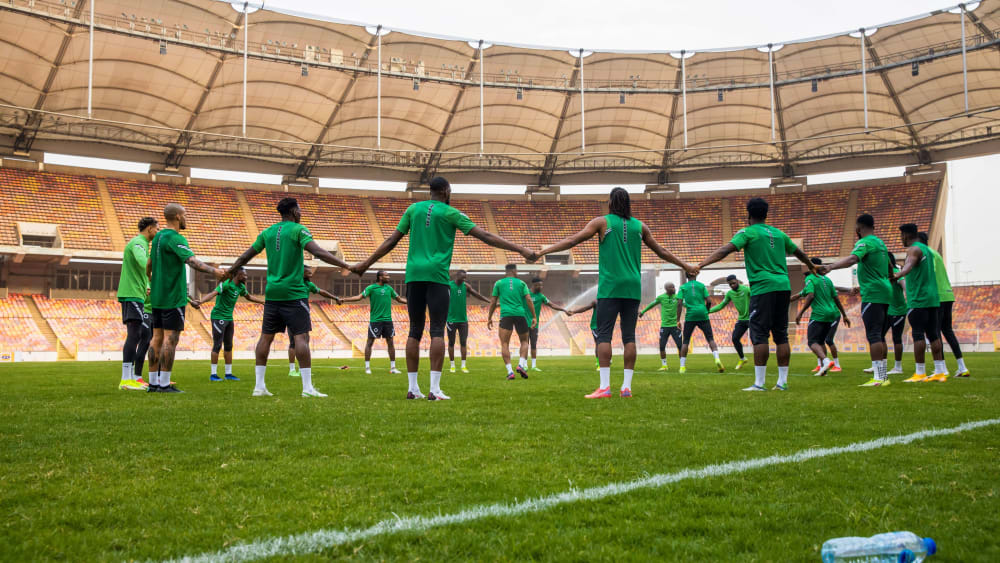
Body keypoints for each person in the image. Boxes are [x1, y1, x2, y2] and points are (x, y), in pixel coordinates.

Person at [351, 176, 536, 400]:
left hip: (413, 277)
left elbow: (391, 240)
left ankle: (412, 388)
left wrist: (365, 264)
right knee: (437, 330)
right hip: (437, 278)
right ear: (447, 191)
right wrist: (521, 250)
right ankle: (435, 389)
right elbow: (486, 236)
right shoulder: (451, 213)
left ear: (431, 191)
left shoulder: (413, 209)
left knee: (414, 331)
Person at [537, 187, 697, 399]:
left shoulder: (602, 222)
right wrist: (685, 264)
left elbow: (573, 240)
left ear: (611, 202)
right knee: (629, 336)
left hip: (610, 287)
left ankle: (604, 387)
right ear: (628, 203)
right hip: (632, 287)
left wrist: (543, 251)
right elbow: (662, 251)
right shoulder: (640, 226)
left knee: (604, 335)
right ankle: (626, 387)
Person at [226, 197, 353, 398]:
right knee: (301, 337)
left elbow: (245, 257)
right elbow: (317, 252)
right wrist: (344, 264)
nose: (301, 213)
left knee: (265, 337)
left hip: (273, 292)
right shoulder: (298, 230)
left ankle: (259, 387)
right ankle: (307, 388)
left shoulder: (266, 232)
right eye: (299, 210)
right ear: (294, 211)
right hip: (294, 293)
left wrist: (230, 270)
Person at [697, 197, 818, 391]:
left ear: (748, 215)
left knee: (760, 335)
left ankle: (760, 383)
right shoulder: (779, 234)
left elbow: (726, 249)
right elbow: (800, 253)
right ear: (766, 214)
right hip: (783, 286)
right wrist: (812, 266)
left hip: (763, 288)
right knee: (781, 335)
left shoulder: (747, 232)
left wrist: (701, 264)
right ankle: (782, 382)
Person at [146, 204, 225, 393]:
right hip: (172, 297)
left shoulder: (157, 238)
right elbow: (191, 261)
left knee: (156, 338)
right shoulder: (175, 238)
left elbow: (149, 265)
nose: (186, 219)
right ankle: (164, 384)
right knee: (170, 339)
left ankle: (153, 383)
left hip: (157, 296)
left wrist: (152, 282)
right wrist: (215, 272)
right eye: (185, 215)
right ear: (178, 217)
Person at [818, 214, 893, 386]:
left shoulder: (864, 243)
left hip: (873, 293)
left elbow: (853, 259)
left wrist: (830, 267)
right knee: (879, 336)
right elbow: (889, 265)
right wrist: (889, 276)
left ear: (859, 227)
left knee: (873, 335)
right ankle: (882, 376)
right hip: (885, 292)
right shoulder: (880, 243)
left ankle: (880, 378)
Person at [892, 223, 948, 383]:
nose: (901, 239)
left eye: (901, 235)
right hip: (932, 298)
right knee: (933, 335)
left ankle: (920, 372)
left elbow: (909, 265)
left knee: (918, 335)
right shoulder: (927, 251)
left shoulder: (914, 249)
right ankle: (939, 372)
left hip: (918, 299)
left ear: (906, 235)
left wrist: (898, 274)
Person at [191, 267, 264, 381]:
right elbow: (213, 293)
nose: (246, 276)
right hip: (218, 317)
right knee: (217, 345)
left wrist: (263, 302)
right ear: (237, 275)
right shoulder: (226, 284)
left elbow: (248, 297)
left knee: (229, 346)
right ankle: (213, 374)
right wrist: (201, 301)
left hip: (229, 319)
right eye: (244, 275)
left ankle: (228, 374)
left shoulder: (241, 287)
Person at [918, 232, 969, 377]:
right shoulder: (936, 253)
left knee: (934, 332)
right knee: (947, 330)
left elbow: (930, 272)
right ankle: (962, 367)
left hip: (938, 296)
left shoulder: (927, 254)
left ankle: (942, 368)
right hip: (947, 294)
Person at [117, 216, 158, 391]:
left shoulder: (143, 244)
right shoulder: (138, 243)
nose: (157, 232)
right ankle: (126, 380)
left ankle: (132, 377)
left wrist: (148, 285)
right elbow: (144, 264)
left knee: (139, 334)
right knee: (134, 334)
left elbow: (143, 272)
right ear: (149, 228)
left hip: (136, 294)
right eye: (156, 229)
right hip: (131, 294)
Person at [340, 270, 406, 375]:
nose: (388, 277)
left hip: (388, 320)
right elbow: (359, 297)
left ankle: (393, 368)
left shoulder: (389, 288)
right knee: (370, 342)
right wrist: (344, 299)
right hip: (375, 321)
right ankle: (367, 368)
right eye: (386, 275)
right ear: (380, 277)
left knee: (390, 343)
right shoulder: (371, 288)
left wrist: (413, 302)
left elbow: (399, 299)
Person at [287, 266, 342, 377]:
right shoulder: (292, 282)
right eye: (308, 273)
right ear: (301, 273)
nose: (311, 275)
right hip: (292, 314)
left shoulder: (309, 285)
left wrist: (335, 297)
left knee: (306, 341)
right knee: (294, 342)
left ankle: (304, 370)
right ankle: (292, 370)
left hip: (304, 314)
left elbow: (321, 292)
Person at [793, 270, 851, 377]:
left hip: (819, 314)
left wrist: (800, 313)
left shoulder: (810, 278)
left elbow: (810, 296)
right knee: (821, 342)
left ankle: (826, 361)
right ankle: (824, 369)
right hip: (832, 314)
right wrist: (844, 315)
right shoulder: (827, 280)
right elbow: (836, 298)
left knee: (812, 342)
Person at [487, 264, 537, 380]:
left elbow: (493, 301)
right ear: (514, 271)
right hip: (520, 314)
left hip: (506, 315)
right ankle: (520, 365)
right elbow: (529, 299)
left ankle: (510, 372)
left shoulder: (498, 283)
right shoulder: (521, 283)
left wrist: (489, 317)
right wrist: (534, 316)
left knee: (505, 344)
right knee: (524, 341)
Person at [678, 275, 725, 373]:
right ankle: (717, 359)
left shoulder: (683, 287)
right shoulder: (702, 285)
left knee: (685, 341)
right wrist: (707, 310)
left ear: (686, 276)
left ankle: (682, 367)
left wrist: (677, 319)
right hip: (703, 314)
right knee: (710, 338)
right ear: (695, 275)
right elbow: (709, 301)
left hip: (690, 315)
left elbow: (679, 303)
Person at [446, 269, 489, 373]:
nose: (464, 279)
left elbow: (477, 295)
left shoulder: (466, 286)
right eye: (463, 277)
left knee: (463, 343)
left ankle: (463, 366)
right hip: (451, 319)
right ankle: (452, 366)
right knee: (451, 343)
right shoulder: (449, 285)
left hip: (463, 320)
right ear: (457, 276)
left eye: (465, 277)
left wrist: (489, 301)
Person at [707, 275, 750, 370]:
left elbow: (756, 300)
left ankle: (760, 364)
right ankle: (742, 359)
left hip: (752, 318)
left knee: (757, 340)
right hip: (742, 319)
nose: (732, 285)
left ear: (737, 281)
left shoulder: (746, 289)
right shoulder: (730, 293)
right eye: (730, 284)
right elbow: (721, 305)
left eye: (733, 283)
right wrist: (708, 311)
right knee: (735, 338)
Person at [527, 277, 569, 372]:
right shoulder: (526, 294)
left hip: (535, 324)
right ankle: (524, 365)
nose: (541, 287)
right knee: (525, 344)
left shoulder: (541, 296)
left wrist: (564, 310)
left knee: (533, 344)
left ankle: (533, 366)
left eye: (541, 285)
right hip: (524, 323)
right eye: (539, 285)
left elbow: (552, 305)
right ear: (534, 285)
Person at [639, 282, 683, 371]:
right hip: (664, 326)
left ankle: (682, 366)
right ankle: (664, 366)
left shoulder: (678, 297)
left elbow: (686, 305)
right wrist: (643, 312)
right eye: (671, 287)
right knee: (662, 346)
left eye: (674, 287)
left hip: (675, 326)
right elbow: (652, 304)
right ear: (666, 289)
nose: (674, 289)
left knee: (680, 346)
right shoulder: (661, 297)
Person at [565, 298, 601, 369]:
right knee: (598, 343)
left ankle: (606, 359)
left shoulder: (609, 301)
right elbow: (585, 308)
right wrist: (574, 312)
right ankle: (599, 363)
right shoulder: (596, 301)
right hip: (596, 326)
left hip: (605, 326)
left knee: (605, 343)